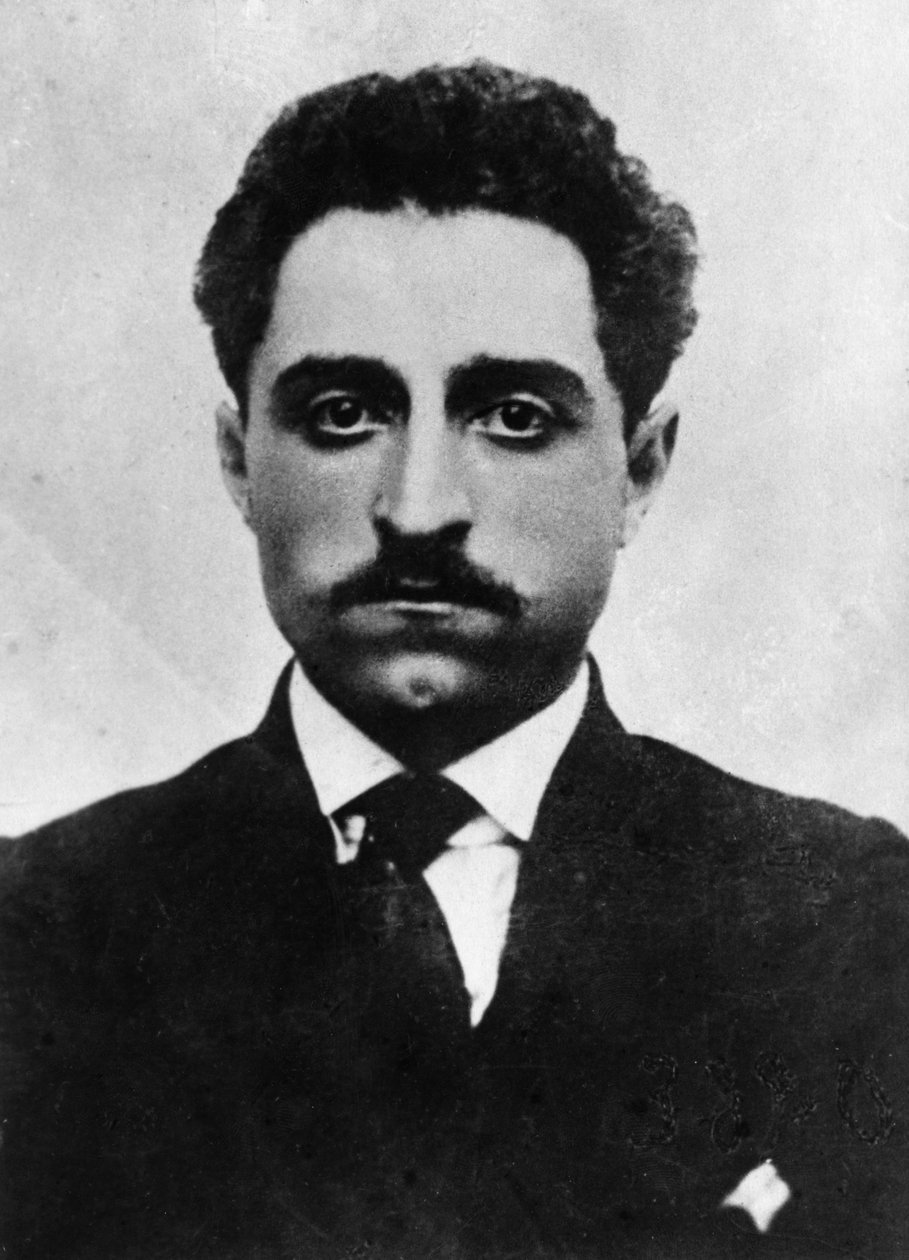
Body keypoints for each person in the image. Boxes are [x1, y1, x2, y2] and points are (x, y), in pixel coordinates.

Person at [1, 61, 906, 1259]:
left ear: (639, 471)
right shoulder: (39, 934)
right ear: (238, 460)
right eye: (342, 414)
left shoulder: (853, 926)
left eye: (515, 417)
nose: (419, 507)